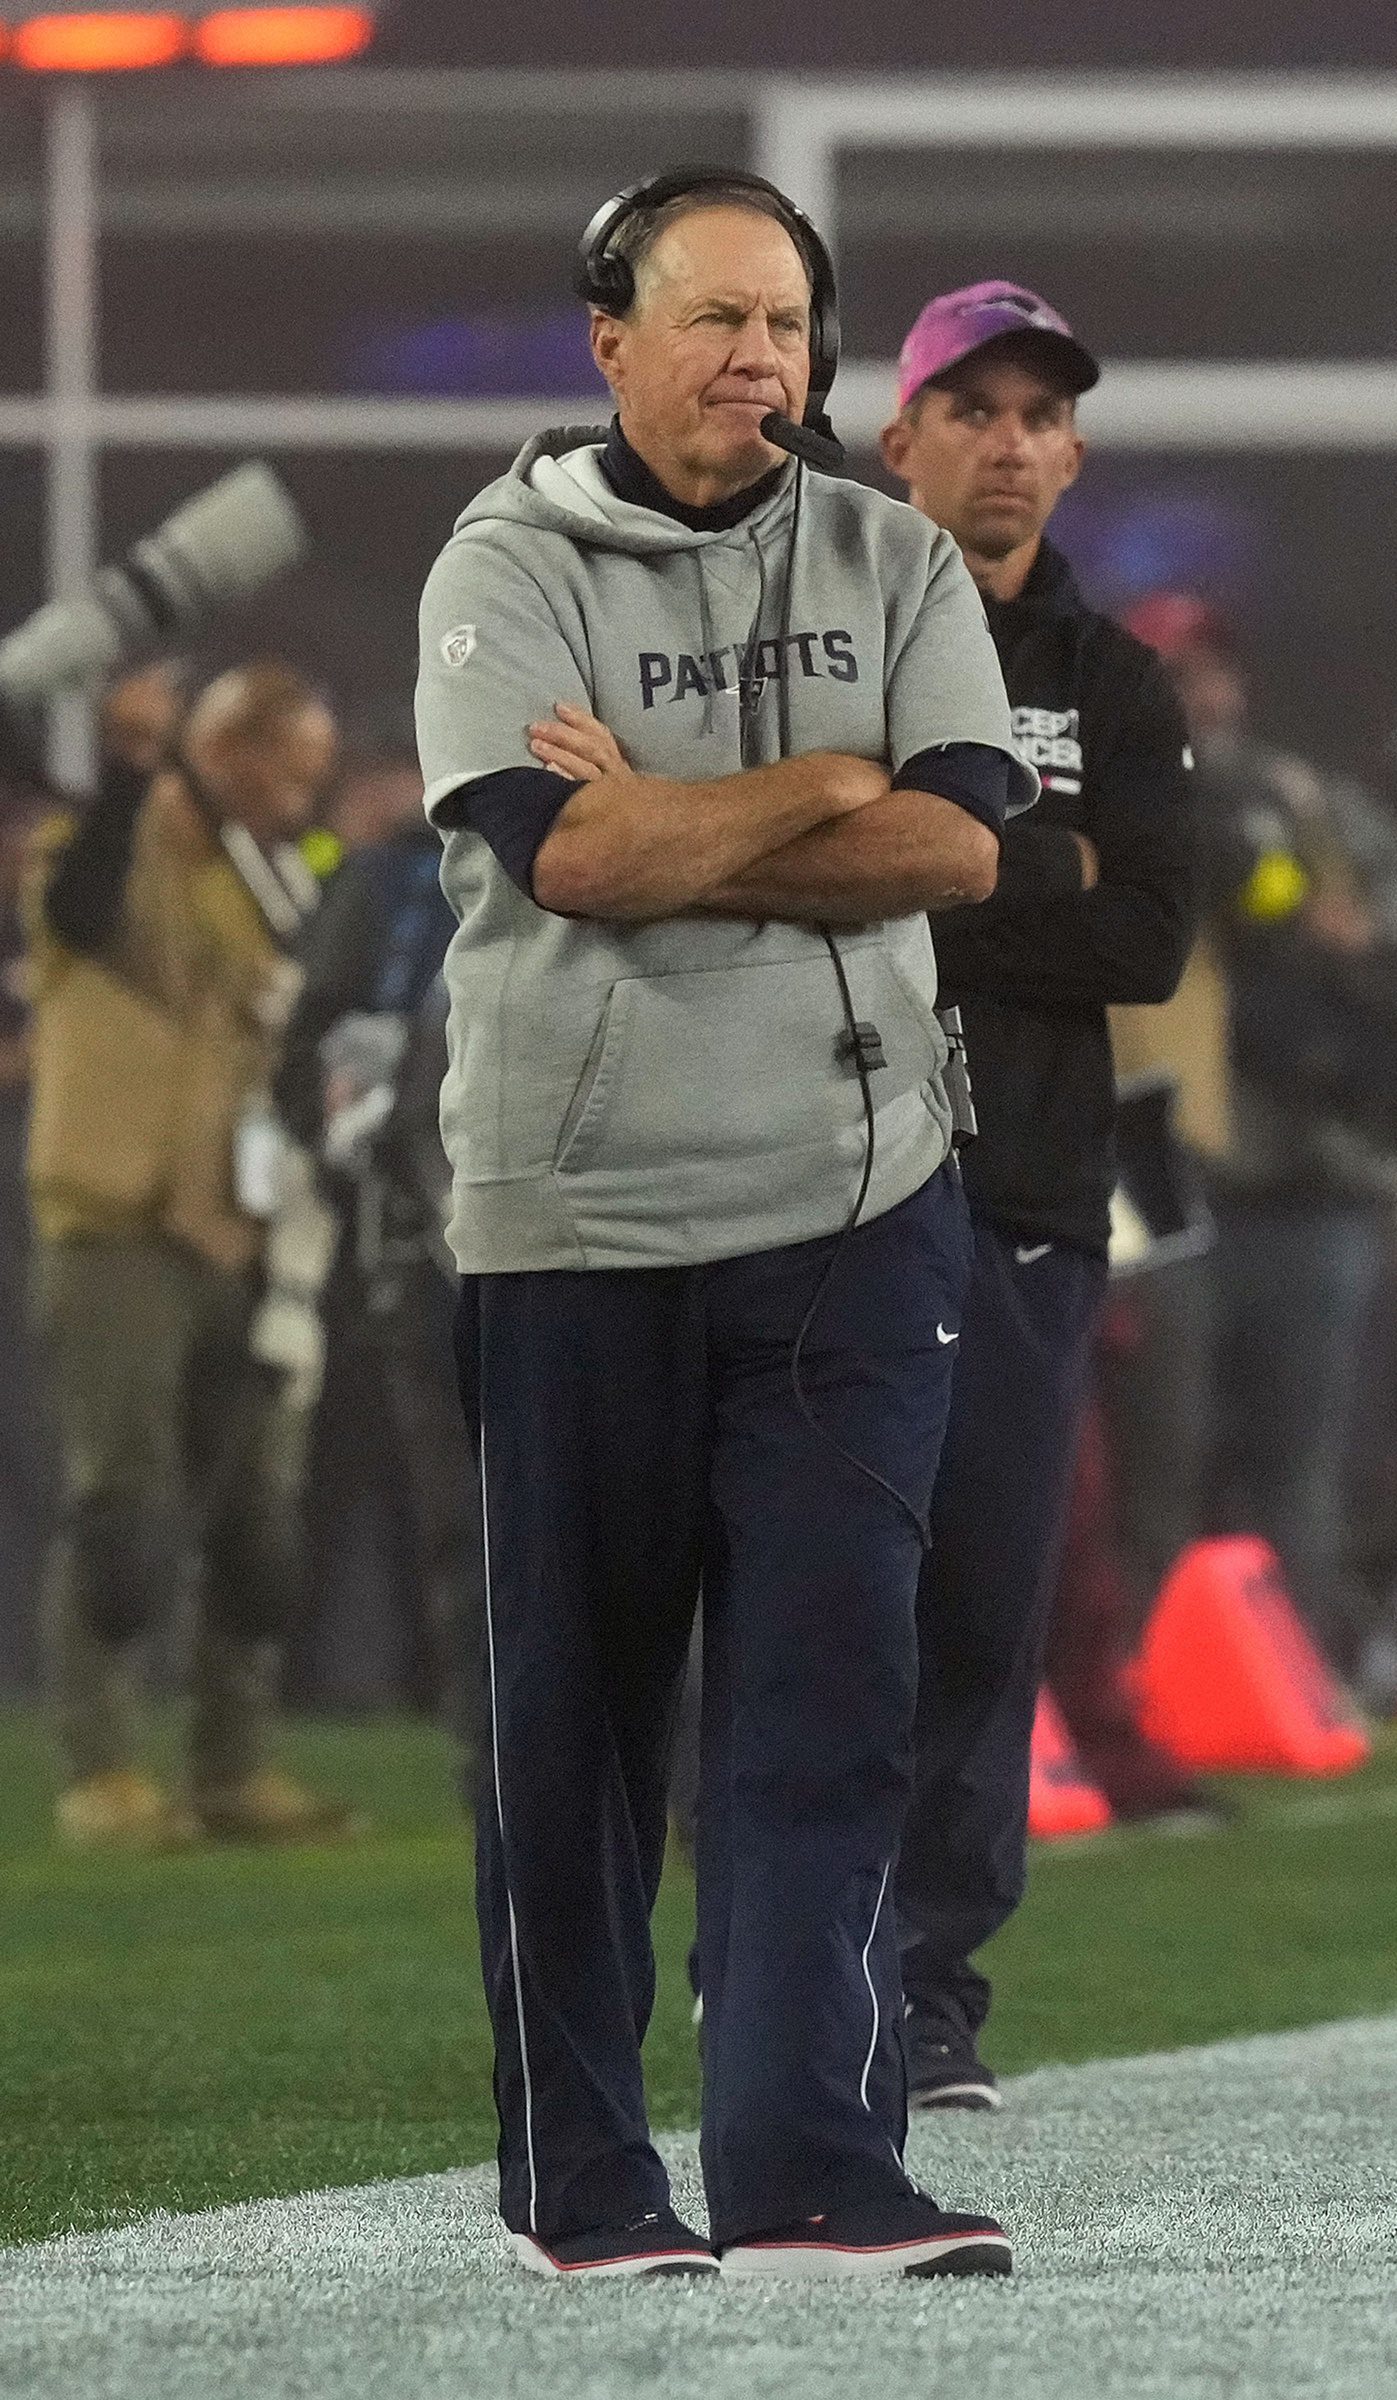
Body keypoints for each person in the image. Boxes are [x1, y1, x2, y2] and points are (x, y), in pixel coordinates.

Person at [416, 171, 1037, 2280]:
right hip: (573, 1218)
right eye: (708, 323)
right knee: (572, 1730)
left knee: (820, 1707)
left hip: (857, 1207)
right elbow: (565, 858)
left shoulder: (887, 547)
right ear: (607, 340)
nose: (754, 363)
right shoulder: (503, 563)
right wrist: (820, 778)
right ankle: (580, 2195)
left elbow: (960, 849)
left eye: (782, 326)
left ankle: (804, 2173)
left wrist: (696, 822)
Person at [880, 284, 1196, 2108]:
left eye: (1035, 415)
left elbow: (1146, 935)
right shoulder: (825, 625)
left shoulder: (1115, 676)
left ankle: (927, 1986)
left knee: (985, 1601)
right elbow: (803, 871)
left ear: (1069, 451)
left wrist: (932, 868)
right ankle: (777, 1955)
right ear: (896, 436)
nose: (1005, 443)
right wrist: (1029, 866)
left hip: (1024, 1191)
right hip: (825, 1181)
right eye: (969, 408)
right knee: (811, 1589)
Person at [26, 660, 356, 1847]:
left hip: (250, 1231)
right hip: (115, 1225)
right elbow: (77, 914)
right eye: (292, 776)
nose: (303, 804)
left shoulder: (274, 885)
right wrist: (126, 775)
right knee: (122, 1504)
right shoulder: (100, 854)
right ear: (225, 754)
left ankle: (231, 1765)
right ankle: (102, 1773)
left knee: (255, 1517)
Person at [274, 729, 480, 1728]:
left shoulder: (589, 858)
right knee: (435, 1495)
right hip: (414, 1232)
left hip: (551, 1236)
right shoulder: (395, 884)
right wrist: (348, 1151)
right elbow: (311, 1049)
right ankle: (469, 1724)